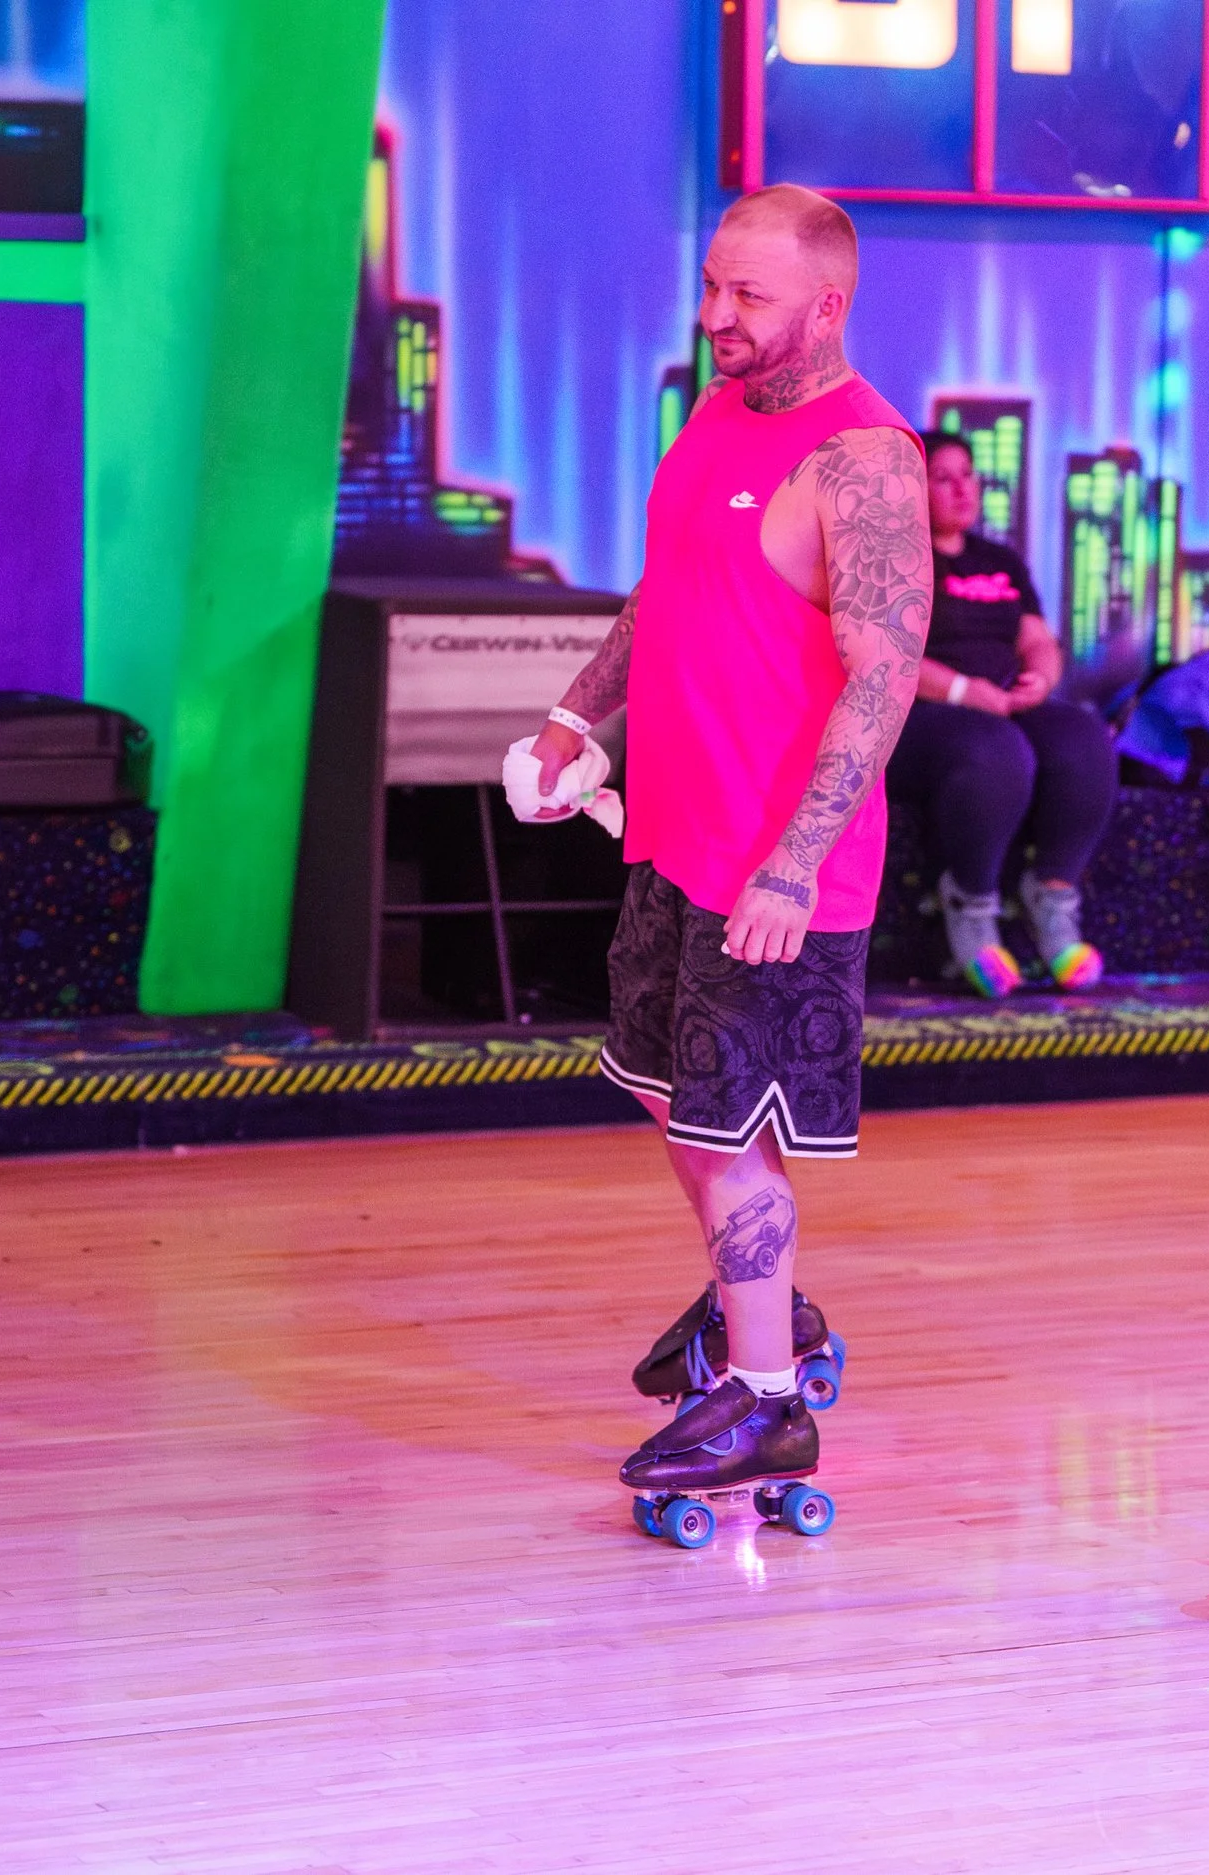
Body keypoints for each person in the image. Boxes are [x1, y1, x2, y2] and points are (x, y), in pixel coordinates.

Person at [522, 184, 929, 1509]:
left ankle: (763, 1403)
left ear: (828, 303)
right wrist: (578, 719)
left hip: (777, 867)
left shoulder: (864, 460)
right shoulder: (715, 414)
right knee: (664, 1089)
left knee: (728, 1125)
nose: (717, 319)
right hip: (673, 837)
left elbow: (884, 673)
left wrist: (796, 864)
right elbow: (671, 591)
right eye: (712, 288)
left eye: (747, 298)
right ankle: (769, 1308)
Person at [883, 432, 1117, 995]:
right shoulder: (893, 558)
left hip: (999, 703)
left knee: (1083, 739)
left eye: (970, 475)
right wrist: (963, 690)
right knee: (995, 750)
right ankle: (970, 905)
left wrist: (1042, 677)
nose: (963, 489)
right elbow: (883, 653)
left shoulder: (1000, 560)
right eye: (944, 477)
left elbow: (1036, 638)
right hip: (918, 715)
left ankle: (1052, 903)